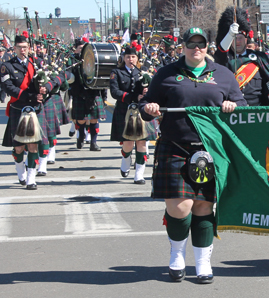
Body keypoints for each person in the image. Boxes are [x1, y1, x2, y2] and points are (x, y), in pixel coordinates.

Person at [139, 27, 247, 284]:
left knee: (203, 207)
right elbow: (146, 106)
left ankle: (202, 262)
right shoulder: (165, 74)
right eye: (191, 44)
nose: (196, 48)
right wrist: (150, 108)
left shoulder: (223, 74)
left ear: (207, 46)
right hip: (175, 145)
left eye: (201, 44)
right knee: (179, 207)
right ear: (183, 46)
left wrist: (232, 106)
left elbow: (241, 105)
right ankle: (177, 254)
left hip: (210, 148)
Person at [1, 35, 61, 190]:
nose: (23, 50)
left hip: (35, 108)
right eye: (19, 47)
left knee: (34, 145)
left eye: (25, 47)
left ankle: (31, 179)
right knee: (19, 147)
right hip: (18, 108)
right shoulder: (6, 66)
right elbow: (7, 87)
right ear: (14, 49)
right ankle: (20, 170)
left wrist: (46, 87)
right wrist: (28, 96)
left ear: (29, 48)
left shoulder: (37, 63)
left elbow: (55, 78)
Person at [214, 6, 269, 106]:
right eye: (235, 38)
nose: (238, 41)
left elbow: (268, 83)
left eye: (240, 38)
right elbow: (220, 54)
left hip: (256, 111)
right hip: (231, 109)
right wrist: (229, 34)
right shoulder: (225, 58)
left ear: (246, 40)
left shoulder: (259, 57)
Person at [110, 46, 156, 184]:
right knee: (128, 142)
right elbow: (114, 92)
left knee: (142, 142)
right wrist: (134, 97)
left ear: (137, 59)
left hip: (141, 111)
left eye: (133, 57)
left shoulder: (142, 73)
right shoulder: (116, 72)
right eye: (128, 57)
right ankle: (125, 159)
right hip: (124, 111)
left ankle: (139, 174)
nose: (131, 59)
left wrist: (147, 89)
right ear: (124, 58)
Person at [67, 38, 106, 151]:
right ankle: (81, 137)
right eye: (80, 48)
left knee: (94, 119)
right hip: (79, 93)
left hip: (93, 93)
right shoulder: (73, 61)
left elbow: (101, 77)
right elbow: (68, 74)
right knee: (81, 120)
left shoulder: (94, 60)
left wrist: (104, 96)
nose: (83, 50)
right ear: (76, 50)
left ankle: (93, 143)